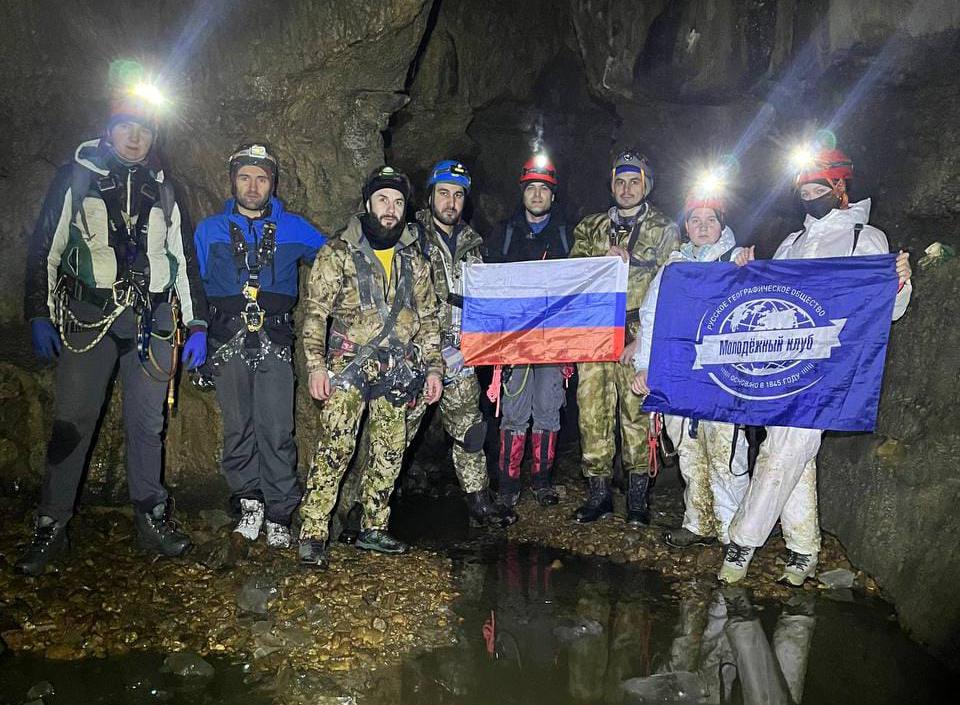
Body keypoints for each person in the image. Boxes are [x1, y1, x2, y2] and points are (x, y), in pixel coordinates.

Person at [17, 84, 207, 574]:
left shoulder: (166, 187)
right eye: (127, 127)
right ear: (109, 130)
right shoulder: (75, 178)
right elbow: (46, 249)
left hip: (152, 318)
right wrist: (38, 312)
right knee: (72, 422)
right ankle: (50, 527)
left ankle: (152, 519)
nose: (136, 137)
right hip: (89, 316)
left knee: (148, 425)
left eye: (145, 129)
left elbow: (184, 261)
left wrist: (199, 321)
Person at [720, 145, 913, 586]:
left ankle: (742, 542)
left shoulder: (865, 238)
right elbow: (767, 301)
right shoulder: (792, 242)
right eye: (803, 188)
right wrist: (747, 270)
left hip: (831, 368)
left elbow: (891, 310)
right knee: (794, 453)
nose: (810, 194)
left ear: (839, 187)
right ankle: (804, 549)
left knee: (782, 449)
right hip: (784, 366)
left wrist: (899, 280)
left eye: (817, 186)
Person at [297, 166, 443, 568]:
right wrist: (315, 366)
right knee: (335, 447)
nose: (390, 209)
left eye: (398, 202)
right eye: (383, 199)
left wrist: (434, 370)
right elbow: (315, 313)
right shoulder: (338, 251)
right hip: (348, 363)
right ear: (367, 203)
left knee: (390, 450)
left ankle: (374, 528)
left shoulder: (415, 259)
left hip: (398, 367)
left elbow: (430, 320)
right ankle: (312, 531)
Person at [193, 143, 326, 549]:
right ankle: (249, 503)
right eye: (245, 177)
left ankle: (280, 512)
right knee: (237, 427)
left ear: (272, 184)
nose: (253, 186)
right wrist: (195, 329)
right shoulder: (208, 230)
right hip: (227, 337)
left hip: (275, 338)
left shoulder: (296, 228)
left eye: (262, 178)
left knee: (277, 429)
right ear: (233, 181)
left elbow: (337, 261)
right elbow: (194, 283)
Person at [631, 186, 751, 548]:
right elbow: (652, 318)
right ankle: (697, 521)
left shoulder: (738, 261)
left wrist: (749, 272)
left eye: (710, 220)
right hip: (681, 373)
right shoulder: (674, 266)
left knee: (726, 450)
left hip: (723, 377)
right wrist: (645, 366)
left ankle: (734, 530)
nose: (702, 227)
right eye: (694, 220)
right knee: (687, 446)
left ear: (721, 224)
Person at [568, 150, 680, 524]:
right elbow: (572, 274)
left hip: (637, 329)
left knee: (636, 412)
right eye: (620, 181)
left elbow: (670, 287)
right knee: (592, 410)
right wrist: (602, 255)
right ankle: (598, 493)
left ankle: (637, 498)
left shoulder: (664, 229)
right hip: (595, 329)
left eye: (635, 181)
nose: (627, 188)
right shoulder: (590, 227)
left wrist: (647, 339)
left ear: (646, 184)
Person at [405, 159, 516, 527]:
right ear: (431, 195)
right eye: (443, 193)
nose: (450, 202)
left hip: (460, 352)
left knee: (471, 431)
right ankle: (369, 511)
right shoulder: (409, 236)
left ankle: (478, 502)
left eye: (457, 195)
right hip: (417, 352)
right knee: (395, 434)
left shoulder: (473, 244)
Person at [483, 154, 572, 508]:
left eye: (544, 189)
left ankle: (542, 481)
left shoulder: (567, 235)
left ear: (553, 195)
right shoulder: (504, 234)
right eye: (531, 188)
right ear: (522, 192)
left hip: (553, 341)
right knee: (515, 411)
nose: (537, 195)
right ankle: (508, 484)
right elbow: (486, 280)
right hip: (515, 341)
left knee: (549, 408)